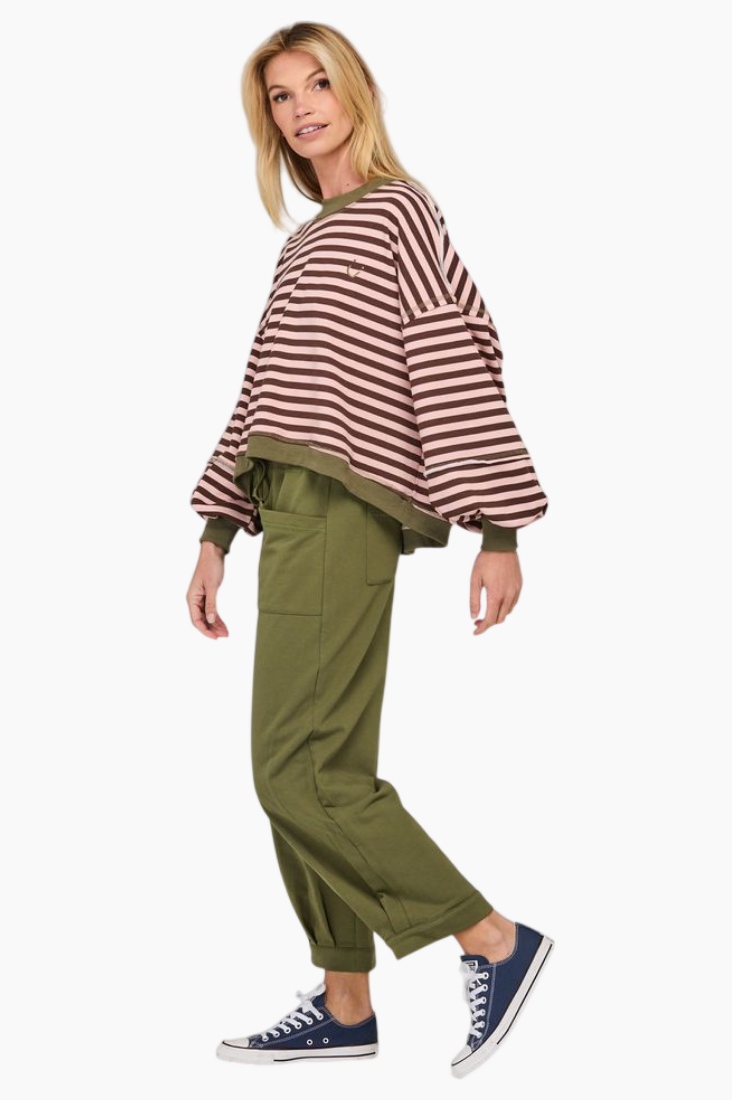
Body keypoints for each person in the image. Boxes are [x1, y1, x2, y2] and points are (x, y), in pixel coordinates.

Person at [185, 21, 552, 1079]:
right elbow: (263, 392)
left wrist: (497, 527)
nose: (301, 108)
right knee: (316, 766)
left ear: (356, 92)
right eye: (280, 96)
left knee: (294, 770)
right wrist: (216, 530)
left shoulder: (397, 211)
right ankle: (345, 1002)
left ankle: (491, 936)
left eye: (317, 84)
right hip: (289, 510)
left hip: (342, 511)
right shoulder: (306, 241)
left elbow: (458, 351)